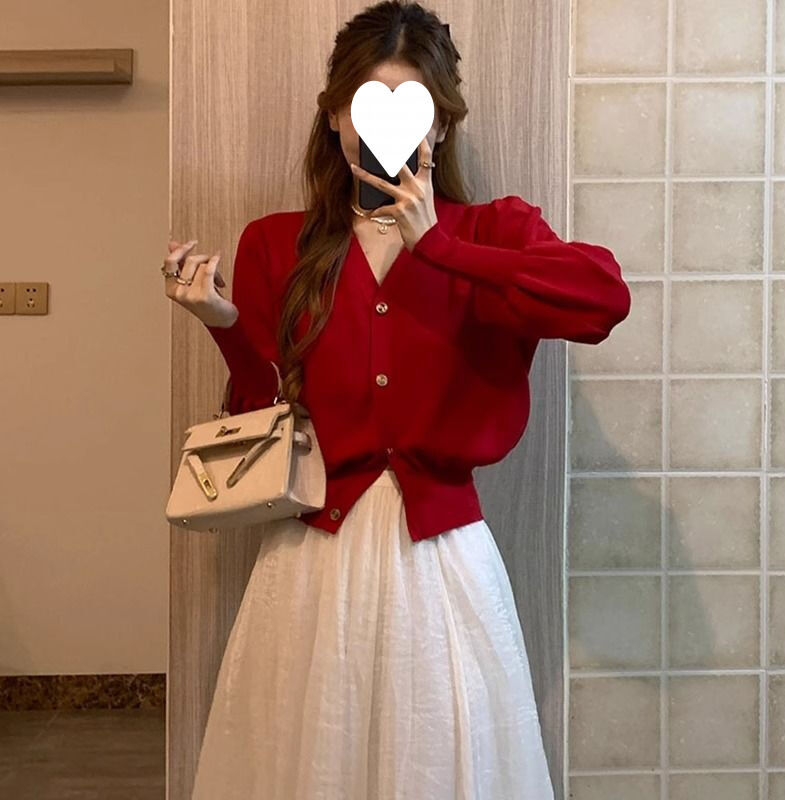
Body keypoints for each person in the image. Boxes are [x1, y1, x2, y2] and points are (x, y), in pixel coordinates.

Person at [163, 2, 631, 798]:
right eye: (361, 104)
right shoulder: (276, 243)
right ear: (334, 117)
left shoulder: (492, 230)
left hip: (442, 561)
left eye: (409, 104)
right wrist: (224, 323)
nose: (378, 128)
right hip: (310, 560)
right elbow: (261, 415)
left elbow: (602, 300)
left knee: (440, 765)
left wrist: (439, 247)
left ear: (440, 125)